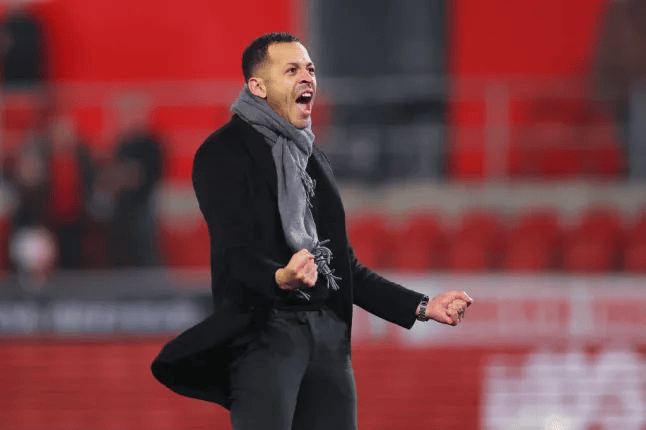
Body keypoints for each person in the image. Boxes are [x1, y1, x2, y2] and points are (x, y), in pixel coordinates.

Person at [151, 32, 473, 430]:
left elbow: (346, 268)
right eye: (292, 70)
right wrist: (279, 277)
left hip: (328, 336)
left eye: (310, 69)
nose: (307, 78)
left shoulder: (313, 159)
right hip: (263, 332)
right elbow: (235, 250)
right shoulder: (222, 152)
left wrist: (423, 306)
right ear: (258, 86)